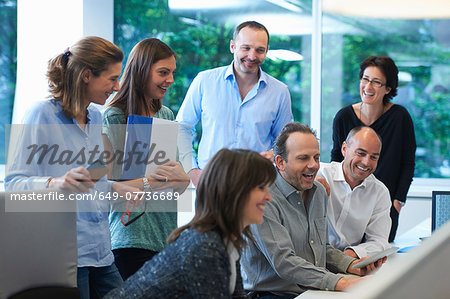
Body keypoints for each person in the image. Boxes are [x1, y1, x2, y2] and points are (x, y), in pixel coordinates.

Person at [4, 36, 136, 298]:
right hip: (66, 254)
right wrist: (55, 184)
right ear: (87, 75)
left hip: (101, 251)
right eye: (111, 78)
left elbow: (90, 181)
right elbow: (14, 185)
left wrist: (118, 188)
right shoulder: (40, 114)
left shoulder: (96, 116)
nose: (117, 86)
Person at [104, 149, 276, 298]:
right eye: (261, 188)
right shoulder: (206, 247)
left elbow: (236, 296)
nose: (269, 196)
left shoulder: (226, 240)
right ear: (234, 190)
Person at [241, 123, 385, 298]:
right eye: (303, 158)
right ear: (280, 162)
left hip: (310, 289)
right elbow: (284, 262)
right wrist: (342, 282)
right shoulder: (262, 198)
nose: (313, 165)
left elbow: (321, 248)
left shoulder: (318, 191)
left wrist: (352, 265)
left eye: (316, 157)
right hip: (270, 294)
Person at [102, 38, 190, 280]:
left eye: (172, 73)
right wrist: (153, 182)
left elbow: (174, 184)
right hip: (129, 239)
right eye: (163, 72)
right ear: (141, 70)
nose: (170, 80)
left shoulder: (165, 114)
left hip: (165, 238)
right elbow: (105, 190)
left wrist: (181, 180)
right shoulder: (113, 118)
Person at [176, 20, 293, 186]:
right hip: (211, 184)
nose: (252, 56)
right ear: (233, 46)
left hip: (258, 185)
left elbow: (286, 142)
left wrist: (274, 154)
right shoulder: (204, 81)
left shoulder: (279, 92)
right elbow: (182, 127)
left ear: (266, 52)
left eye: (260, 50)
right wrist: (192, 170)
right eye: (246, 48)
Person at [331, 56, 416, 242]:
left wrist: (397, 203)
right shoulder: (344, 117)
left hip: (384, 207)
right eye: (365, 79)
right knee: (342, 255)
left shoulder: (400, 117)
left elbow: (408, 163)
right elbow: (337, 159)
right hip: (346, 203)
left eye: (376, 82)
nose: (368, 87)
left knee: (377, 257)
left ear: (388, 88)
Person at [318, 126, 391, 258]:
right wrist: (306, 182)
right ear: (344, 149)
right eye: (361, 153)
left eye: (374, 157)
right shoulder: (319, 174)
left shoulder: (379, 192)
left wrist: (348, 257)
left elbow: (379, 241)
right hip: (311, 262)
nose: (366, 162)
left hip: (349, 262)